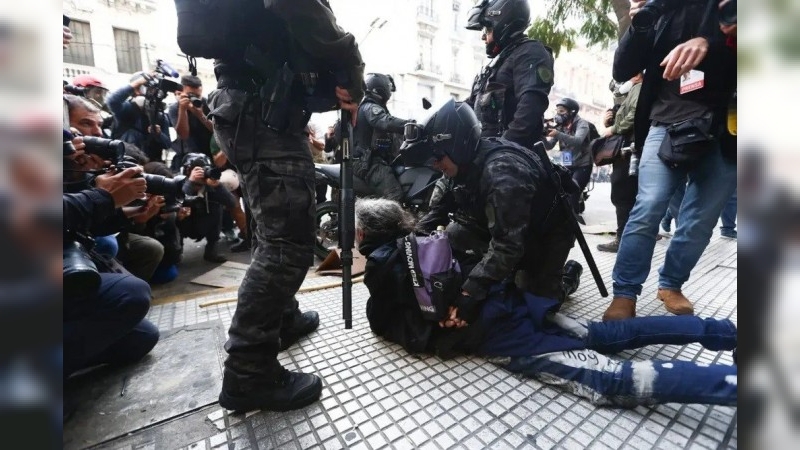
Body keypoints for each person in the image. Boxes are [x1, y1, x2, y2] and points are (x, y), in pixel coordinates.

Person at [355, 197, 737, 406]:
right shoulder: (428, 241)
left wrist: (443, 325)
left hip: (502, 334)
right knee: (609, 334)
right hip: (518, 303)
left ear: (364, 233)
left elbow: (388, 324)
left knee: (612, 380)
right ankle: (728, 333)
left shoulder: (381, 264)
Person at [208, 0, 365, 412]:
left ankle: (281, 319)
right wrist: (349, 57)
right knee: (287, 245)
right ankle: (249, 371)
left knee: (270, 231)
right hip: (264, 114)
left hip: (252, 106)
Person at [602, 0, 737, 321]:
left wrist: (710, 43)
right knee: (649, 205)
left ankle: (671, 284)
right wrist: (638, 26)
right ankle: (625, 293)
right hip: (666, 123)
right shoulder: (659, 10)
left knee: (700, 221)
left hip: (727, 129)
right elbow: (622, 70)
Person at [403, 99, 581, 314]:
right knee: (454, 234)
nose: (434, 164)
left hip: (547, 235)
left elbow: (508, 245)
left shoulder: (503, 173)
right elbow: (437, 213)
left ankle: (567, 277)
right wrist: (409, 247)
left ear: (456, 145)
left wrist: (470, 291)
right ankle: (500, 272)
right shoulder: (460, 165)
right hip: (508, 227)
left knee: (534, 307)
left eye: (437, 157)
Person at [465, 0, 554, 148]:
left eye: (487, 29)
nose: (483, 36)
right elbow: (472, 106)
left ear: (503, 25)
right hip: (487, 151)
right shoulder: (500, 61)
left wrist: (503, 147)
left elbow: (530, 107)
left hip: (512, 159)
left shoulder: (530, 52)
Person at [598, 75, 643, 253]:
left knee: (622, 195)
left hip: (629, 151)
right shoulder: (631, 92)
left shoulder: (638, 89)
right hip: (626, 150)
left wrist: (613, 128)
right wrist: (610, 120)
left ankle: (623, 238)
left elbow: (634, 116)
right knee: (625, 195)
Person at [352, 73, 408, 202]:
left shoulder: (366, 106)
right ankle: (393, 222)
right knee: (395, 196)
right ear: (382, 89)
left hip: (368, 160)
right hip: (368, 163)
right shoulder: (370, 107)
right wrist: (411, 124)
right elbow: (385, 121)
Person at [543, 98, 593, 222]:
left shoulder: (582, 124)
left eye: (562, 111)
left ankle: (573, 222)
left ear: (571, 112)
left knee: (573, 191)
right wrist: (541, 134)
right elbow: (549, 146)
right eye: (557, 111)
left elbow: (577, 141)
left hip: (583, 164)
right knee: (562, 191)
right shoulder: (560, 127)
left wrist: (557, 134)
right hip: (567, 162)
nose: (558, 114)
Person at [106, 73, 174, 163]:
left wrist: (159, 134)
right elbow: (112, 101)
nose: (151, 92)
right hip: (128, 162)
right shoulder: (127, 109)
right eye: (146, 88)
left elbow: (167, 144)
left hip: (152, 165)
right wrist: (136, 84)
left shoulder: (160, 116)